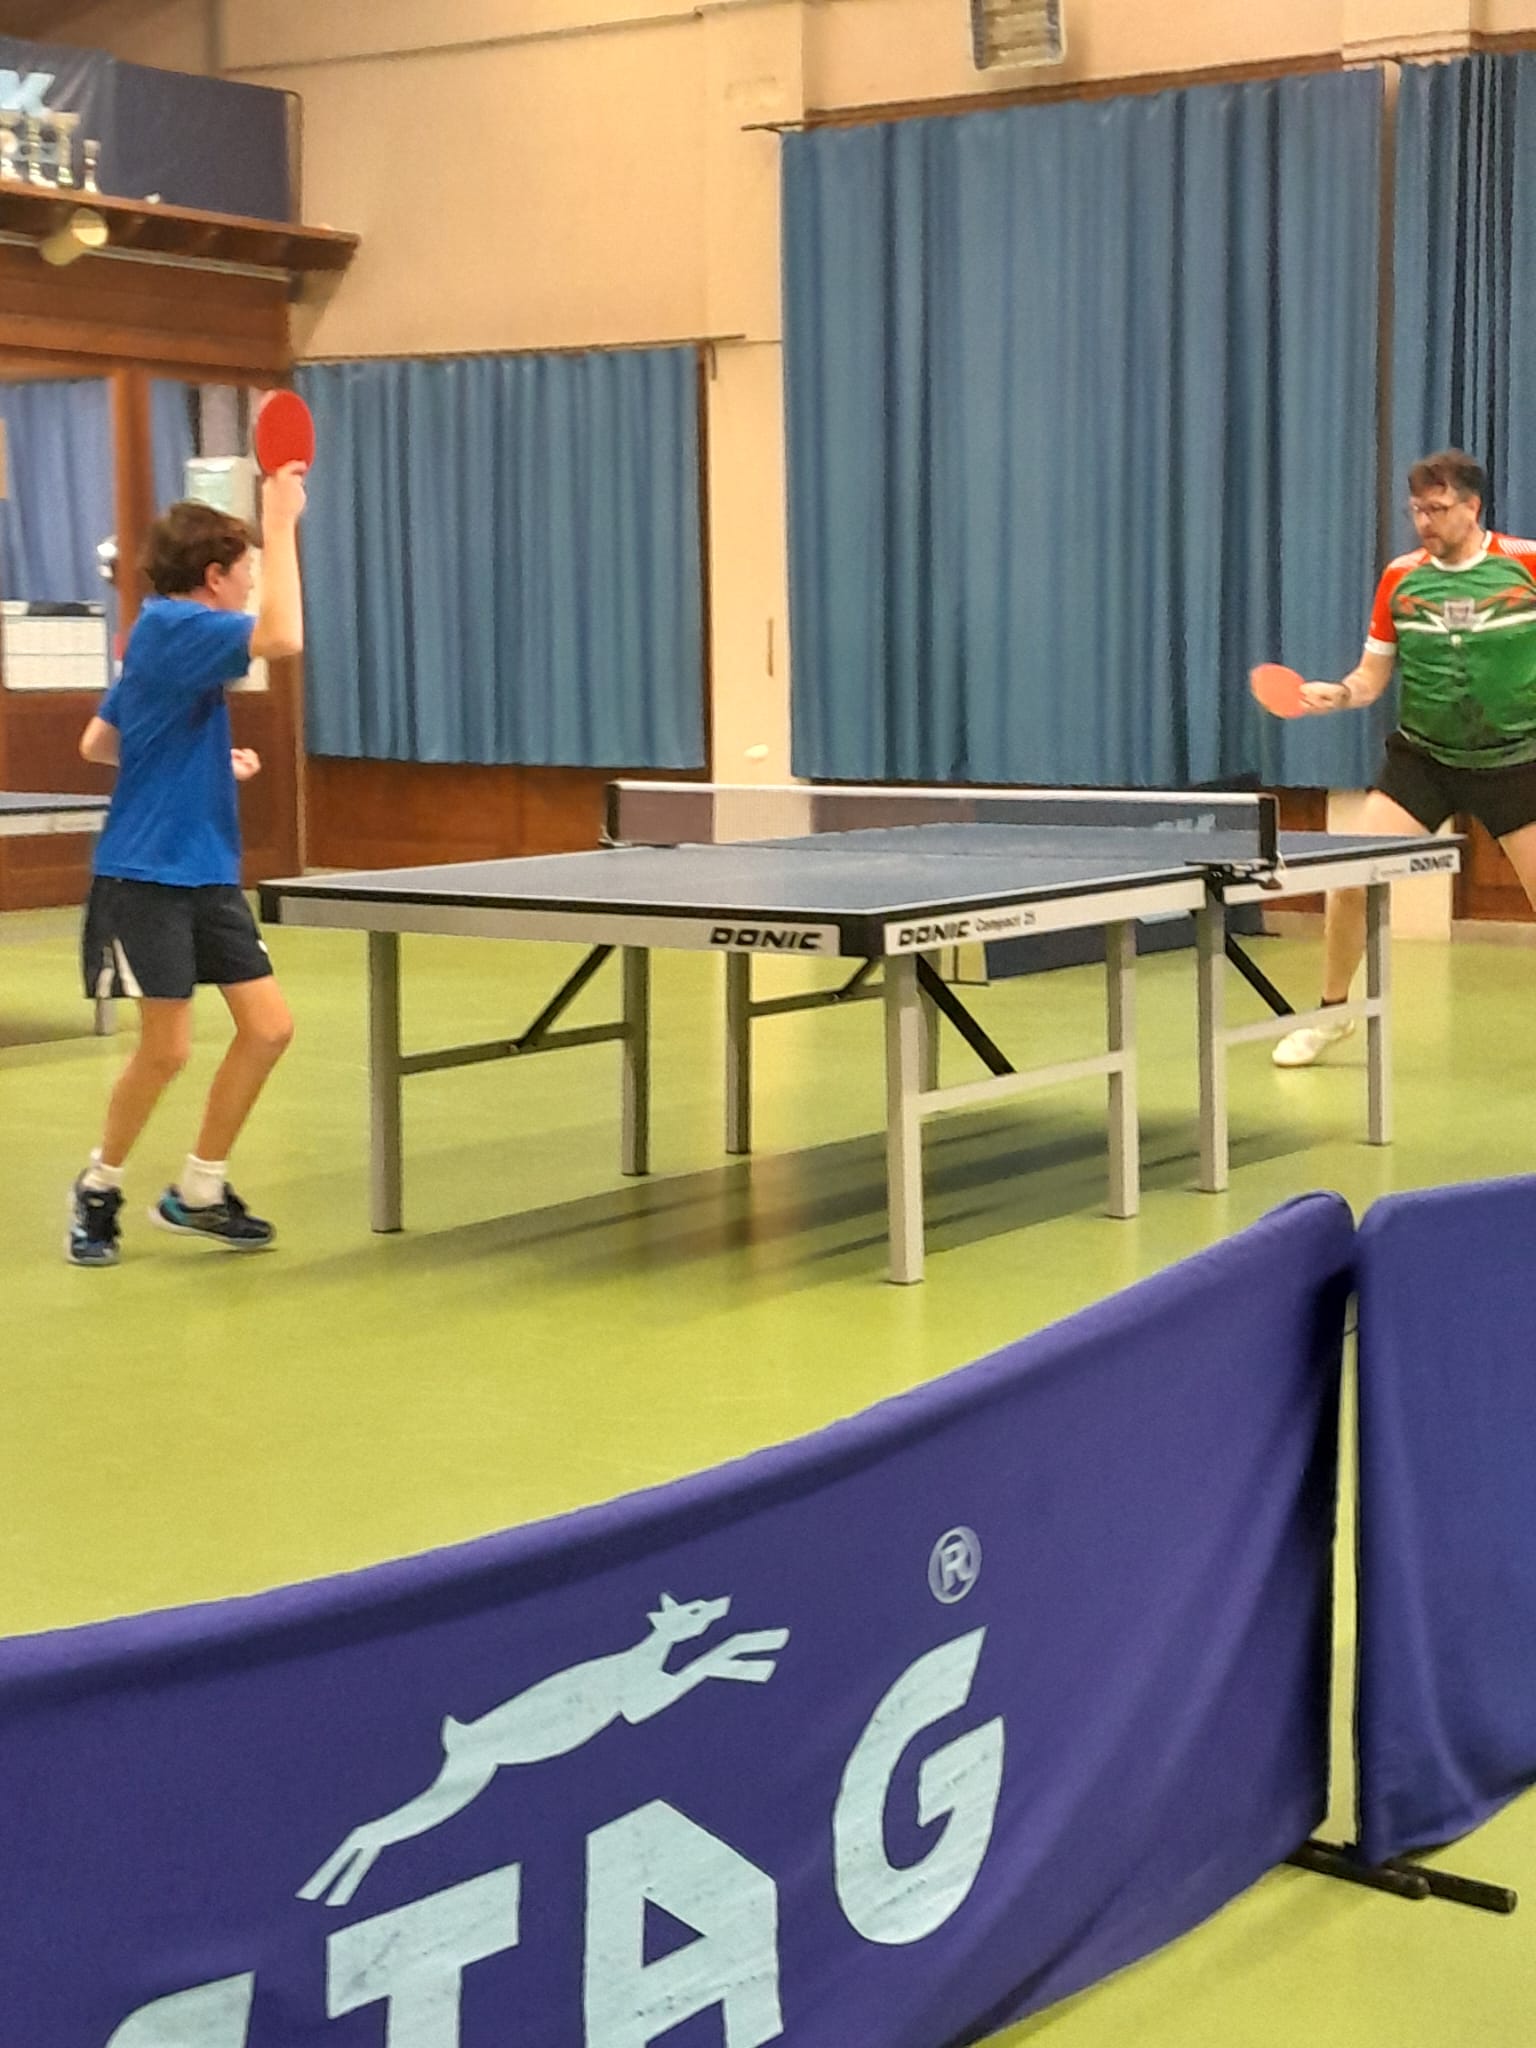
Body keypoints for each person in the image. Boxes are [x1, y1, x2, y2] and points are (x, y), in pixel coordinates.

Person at [66, 466, 307, 1266]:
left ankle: (199, 1190)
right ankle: (99, 1186)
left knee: (268, 1028)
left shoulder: (163, 639)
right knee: (166, 1050)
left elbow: (99, 744)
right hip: (146, 875)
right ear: (214, 576)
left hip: (205, 871)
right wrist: (281, 518)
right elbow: (283, 638)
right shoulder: (175, 625)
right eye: (245, 570)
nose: (251, 583)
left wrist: (200, 762)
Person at [1272, 448, 1536, 1065]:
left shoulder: (1525, 563)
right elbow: (1370, 678)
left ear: (1472, 507)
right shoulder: (1401, 577)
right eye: (1417, 509)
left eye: (1437, 509)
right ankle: (1332, 1015)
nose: (1424, 521)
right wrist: (1339, 694)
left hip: (1515, 761)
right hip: (1423, 760)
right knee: (1350, 878)